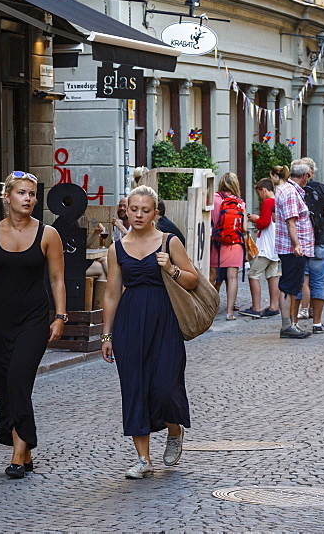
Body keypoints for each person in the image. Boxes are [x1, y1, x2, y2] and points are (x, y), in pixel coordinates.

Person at [0, 171, 67, 479]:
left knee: (19, 380)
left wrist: (60, 316)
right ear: (7, 197)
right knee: (4, 385)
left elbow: (57, 279)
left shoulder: (48, 234)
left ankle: (17, 454)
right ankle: (23, 450)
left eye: (32, 194)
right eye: (22, 193)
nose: (28, 199)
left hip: (34, 319)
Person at [101, 185, 198, 480]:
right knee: (133, 387)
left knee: (164, 385)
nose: (139, 215)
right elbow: (112, 293)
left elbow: (193, 280)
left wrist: (171, 269)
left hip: (164, 318)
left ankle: (173, 429)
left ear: (155, 213)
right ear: (126, 210)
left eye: (146, 210)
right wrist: (106, 335)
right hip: (129, 321)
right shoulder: (116, 248)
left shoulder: (169, 242)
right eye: (134, 209)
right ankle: (143, 459)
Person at [293, 158, 324, 334]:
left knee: (297, 283)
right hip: (319, 242)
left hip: (298, 244)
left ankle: (293, 322)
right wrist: (317, 219)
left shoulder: (291, 190)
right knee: (318, 283)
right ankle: (317, 323)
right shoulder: (322, 189)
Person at [273, 162, 314, 338]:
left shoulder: (286, 189)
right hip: (292, 248)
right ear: (304, 176)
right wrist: (297, 245)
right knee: (289, 286)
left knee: (291, 285)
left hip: (291, 247)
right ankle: (286, 326)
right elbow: (291, 221)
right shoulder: (290, 192)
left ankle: (289, 324)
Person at [240, 178, 281, 319]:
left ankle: (256, 307)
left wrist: (255, 219)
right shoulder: (278, 200)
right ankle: (274, 306)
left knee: (253, 274)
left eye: (259, 193)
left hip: (266, 246)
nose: (260, 196)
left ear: (264, 189)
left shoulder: (268, 202)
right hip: (275, 246)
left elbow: (263, 223)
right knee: (272, 275)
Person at [209, 172, 246, 321]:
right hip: (234, 244)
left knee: (212, 278)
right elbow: (242, 228)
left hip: (216, 243)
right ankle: (229, 312)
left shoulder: (213, 199)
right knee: (232, 278)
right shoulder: (240, 202)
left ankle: (210, 310)